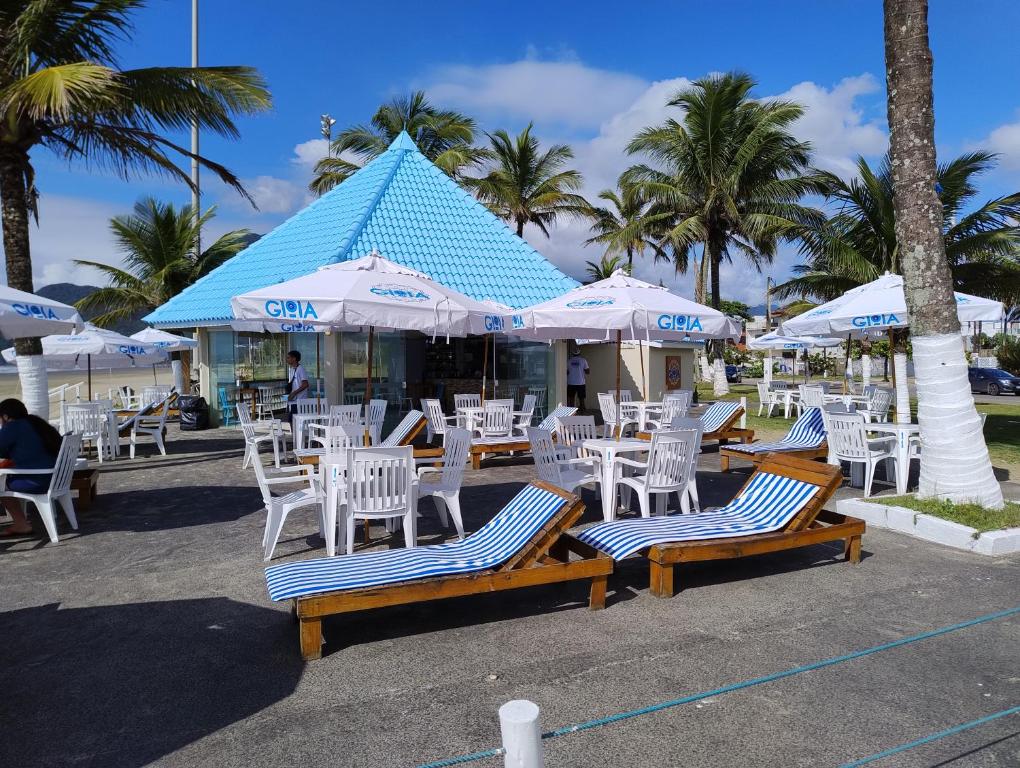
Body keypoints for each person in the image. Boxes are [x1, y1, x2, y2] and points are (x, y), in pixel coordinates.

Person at [0, 398, 62, 537]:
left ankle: (21, 524)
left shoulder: (13, 426)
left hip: (38, 481)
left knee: (1, 484)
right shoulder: (37, 423)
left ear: (5, 416)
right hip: (56, 479)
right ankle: (20, 522)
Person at [566, 347, 590, 411]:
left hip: (571, 382)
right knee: (581, 398)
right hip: (581, 382)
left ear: (572, 353)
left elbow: (566, 372)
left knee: (571, 398)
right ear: (579, 353)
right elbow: (588, 372)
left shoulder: (569, 361)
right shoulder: (583, 360)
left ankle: (571, 411)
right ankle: (582, 411)